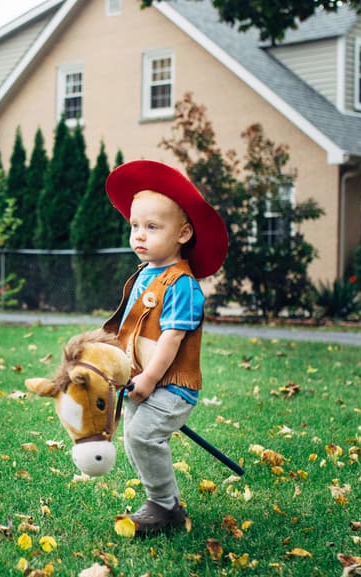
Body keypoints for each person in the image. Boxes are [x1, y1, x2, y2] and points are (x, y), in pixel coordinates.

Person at [102, 159, 228, 534]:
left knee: (143, 436)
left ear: (183, 233)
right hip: (143, 380)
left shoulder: (181, 285)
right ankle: (159, 499)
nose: (139, 235)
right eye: (135, 226)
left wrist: (150, 379)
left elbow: (171, 339)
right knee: (133, 439)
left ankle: (164, 505)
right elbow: (128, 326)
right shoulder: (145, 274)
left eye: (152, 227)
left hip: (171, 386)